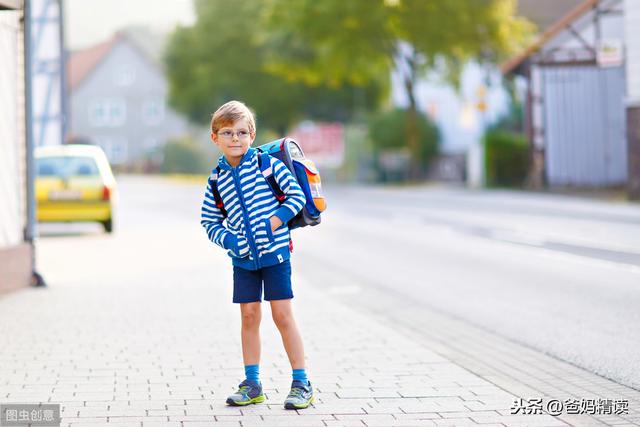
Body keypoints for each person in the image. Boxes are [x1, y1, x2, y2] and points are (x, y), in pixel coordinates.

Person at [200, 100, 315, 410]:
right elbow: (209, 221)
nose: (235, 139)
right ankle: (252, 384)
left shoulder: (268, 165)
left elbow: (296, 197)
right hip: (243, 261)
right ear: (215, 138)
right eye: (227, 133)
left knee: (282, 315)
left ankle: (301, 382)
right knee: (249, 317)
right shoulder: (216, 180)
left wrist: (273, 223)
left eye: (241, 132)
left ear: (252, 134)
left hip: (276, 255)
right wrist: (229, 240)